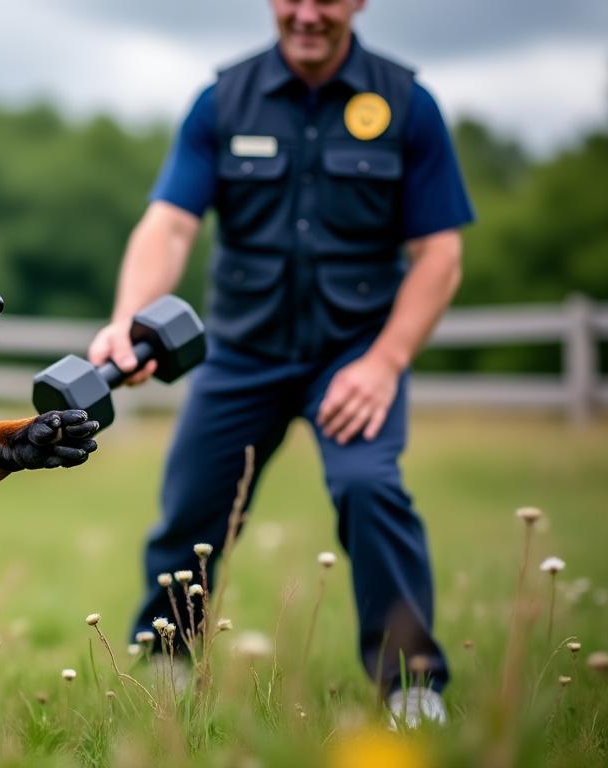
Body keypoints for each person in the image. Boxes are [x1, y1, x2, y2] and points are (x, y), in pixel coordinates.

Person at [88, 0, 472, 726]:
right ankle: (168, 660)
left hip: (355, 358)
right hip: (242, 354)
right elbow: (170, 225)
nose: (306, 14)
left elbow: (440, 255)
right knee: (191, 507)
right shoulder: (221, 101)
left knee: (370, 489)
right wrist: (129, 318)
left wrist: (385, 362)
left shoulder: (407, 104)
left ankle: (410, 686)